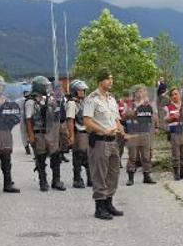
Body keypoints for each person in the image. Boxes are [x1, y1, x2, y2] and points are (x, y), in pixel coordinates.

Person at [83, 69, 124, 220]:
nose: (111, 81)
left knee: (113, 173)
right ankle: (99, 207)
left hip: (113, 141)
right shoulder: (91, 99)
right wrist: (104, 130)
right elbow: (87, 121)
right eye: (108, 79)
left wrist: (121, 129)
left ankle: (109, 202)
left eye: (111, 78)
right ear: (101, 81)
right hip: (100, 141)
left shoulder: (112, 99)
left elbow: (116, 119)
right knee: (99, 173)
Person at [26, 76, 66, 192]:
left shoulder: (48, 99)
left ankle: (56, 181)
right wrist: (31, 135)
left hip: (51, 132)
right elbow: (28, 120)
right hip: (39, 133)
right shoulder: (30, 101)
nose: (48, 88)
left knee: (55, 156)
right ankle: (43, 182)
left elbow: (56, 114)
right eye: (45, 86)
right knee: (40, 158)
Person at [123, 85, 157, 186]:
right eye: (139, 91)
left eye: (143, 91)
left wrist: (156, 127)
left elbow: (153, 117)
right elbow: (125, 116)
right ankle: (130, 178)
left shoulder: (149, 105)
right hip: (133, 133)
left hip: (145, 132)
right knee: (132, 156)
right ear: (135, 94)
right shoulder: (130, 104)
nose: (141, 93)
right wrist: (138, 108)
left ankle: (147, 176)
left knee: (146, 156)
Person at [65, 79, 91, 188]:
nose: (83, 92)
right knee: (79, 156)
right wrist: (71, 136)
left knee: (89, 157)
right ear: (74, 91)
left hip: (87, 133)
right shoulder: (72, 103)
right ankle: (77, 179)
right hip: (79, 132)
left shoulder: (84, 102)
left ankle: (90, 179)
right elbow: (70, 120)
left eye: (83, 90)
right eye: (80, 90)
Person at [164, 87, 183, 181]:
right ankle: (176, 173)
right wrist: (172, 117)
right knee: (176, 153)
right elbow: (165, 120)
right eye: (173, 95)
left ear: (180, 95)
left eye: (176, 94)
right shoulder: (168, 107)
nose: (175, 96)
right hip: (175, 132)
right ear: (170, 97)